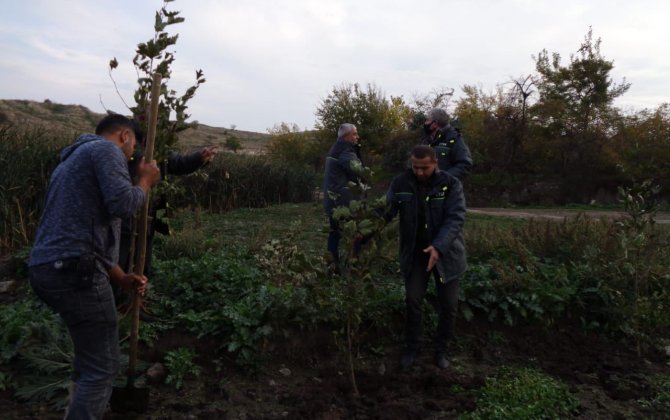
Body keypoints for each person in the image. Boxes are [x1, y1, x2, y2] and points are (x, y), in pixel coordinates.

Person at [28, 114, 161, 419]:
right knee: (102, 367)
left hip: (52, 267)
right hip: (76, 272)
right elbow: (123, 204)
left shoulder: (73, 160)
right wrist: (145, 181)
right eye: (132, 148)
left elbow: (84, 234)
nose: (130, 156)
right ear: (124, 136)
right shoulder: (106, 151)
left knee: (89, 362)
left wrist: (121, 276)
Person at [385, 145, 467, 369]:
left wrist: (438, 247)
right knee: (413, 300)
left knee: (448, 305)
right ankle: (412, 346)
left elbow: (455, 218)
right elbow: (385, 211)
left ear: (435, 164)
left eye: (425, 168)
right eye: (415, 167)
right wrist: (361, 233)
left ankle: (441, 350)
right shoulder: (401, 183)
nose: (419, 172)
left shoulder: (451, 185)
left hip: (446, 256)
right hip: (416, 256)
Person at [323, 123, 365, 269]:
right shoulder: (346, 151)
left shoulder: (335, 148)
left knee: (335, 233)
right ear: (347, 136)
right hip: (345, 202)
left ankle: (332, 265)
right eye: (355, 134)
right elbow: (358, 171)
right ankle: (352, 266)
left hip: (334, 200)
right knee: (356, 233)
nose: (357, 137)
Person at [421, 108, 473, 179]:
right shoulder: (427, 140)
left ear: (435, 124)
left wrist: (443, 179)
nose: (425, 123)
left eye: (427, 120)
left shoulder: (454, 138)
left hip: (446, 188)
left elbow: (465, 165)